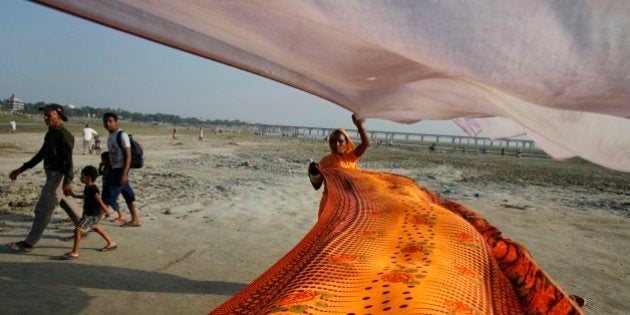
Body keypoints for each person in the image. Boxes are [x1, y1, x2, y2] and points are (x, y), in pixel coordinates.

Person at [6, 104, 81, 252]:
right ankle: (85, 226)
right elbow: (41, 155)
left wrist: (67, 182)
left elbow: (69, 161)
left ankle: (29, 243)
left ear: (59, 116)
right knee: (69, 205)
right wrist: (21, 169)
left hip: (58, 177)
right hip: (51, 176)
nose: (45, 117)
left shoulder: (65, 136)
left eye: (49, 115)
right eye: (45, 115)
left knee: (43, 210)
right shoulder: (51, 133)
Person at [309, 114, 369, 217]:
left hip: (348, 206)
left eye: (340, 141)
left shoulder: (351, 157)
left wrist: (360, 127)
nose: (336, 144)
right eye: (332, 141)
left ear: (346, 143)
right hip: (329, 206)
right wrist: (312, 173)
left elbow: (365, 144)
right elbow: (316, 186)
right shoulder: (325, 161)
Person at [60, 166, 117, 260]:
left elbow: (99, 200)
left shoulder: (93, 189)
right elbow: (86, 196)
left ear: (88, 178)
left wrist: (107, 212)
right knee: (95, 227)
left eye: (82, 176)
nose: (80, 178)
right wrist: (74, 195)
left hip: (91, 215)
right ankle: (111, 243)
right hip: (88, 214)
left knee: (78, 229)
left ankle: (75, 252)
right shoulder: (88, 187)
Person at [102, 112, 141, 227]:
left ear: (116, 122)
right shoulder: (110, 135)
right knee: (128, 194)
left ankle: (91, 223)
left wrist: (124, 174)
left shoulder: (121, 135)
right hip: (114, 169)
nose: (107, 124)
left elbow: (128, 156)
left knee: (107, 197)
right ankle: (135, 220)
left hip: (120, 170)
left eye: (110, 121)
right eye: (105, 121)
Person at [99, 151, 122, 222]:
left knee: (110, 201)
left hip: (110, 187)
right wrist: (100, 166)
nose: (102, 161)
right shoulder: (106, 167)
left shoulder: (111, 167)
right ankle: (106, 212)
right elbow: (99, 173)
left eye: (103, 159)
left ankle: (120, 215)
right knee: (106, 200)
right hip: (105, 186)